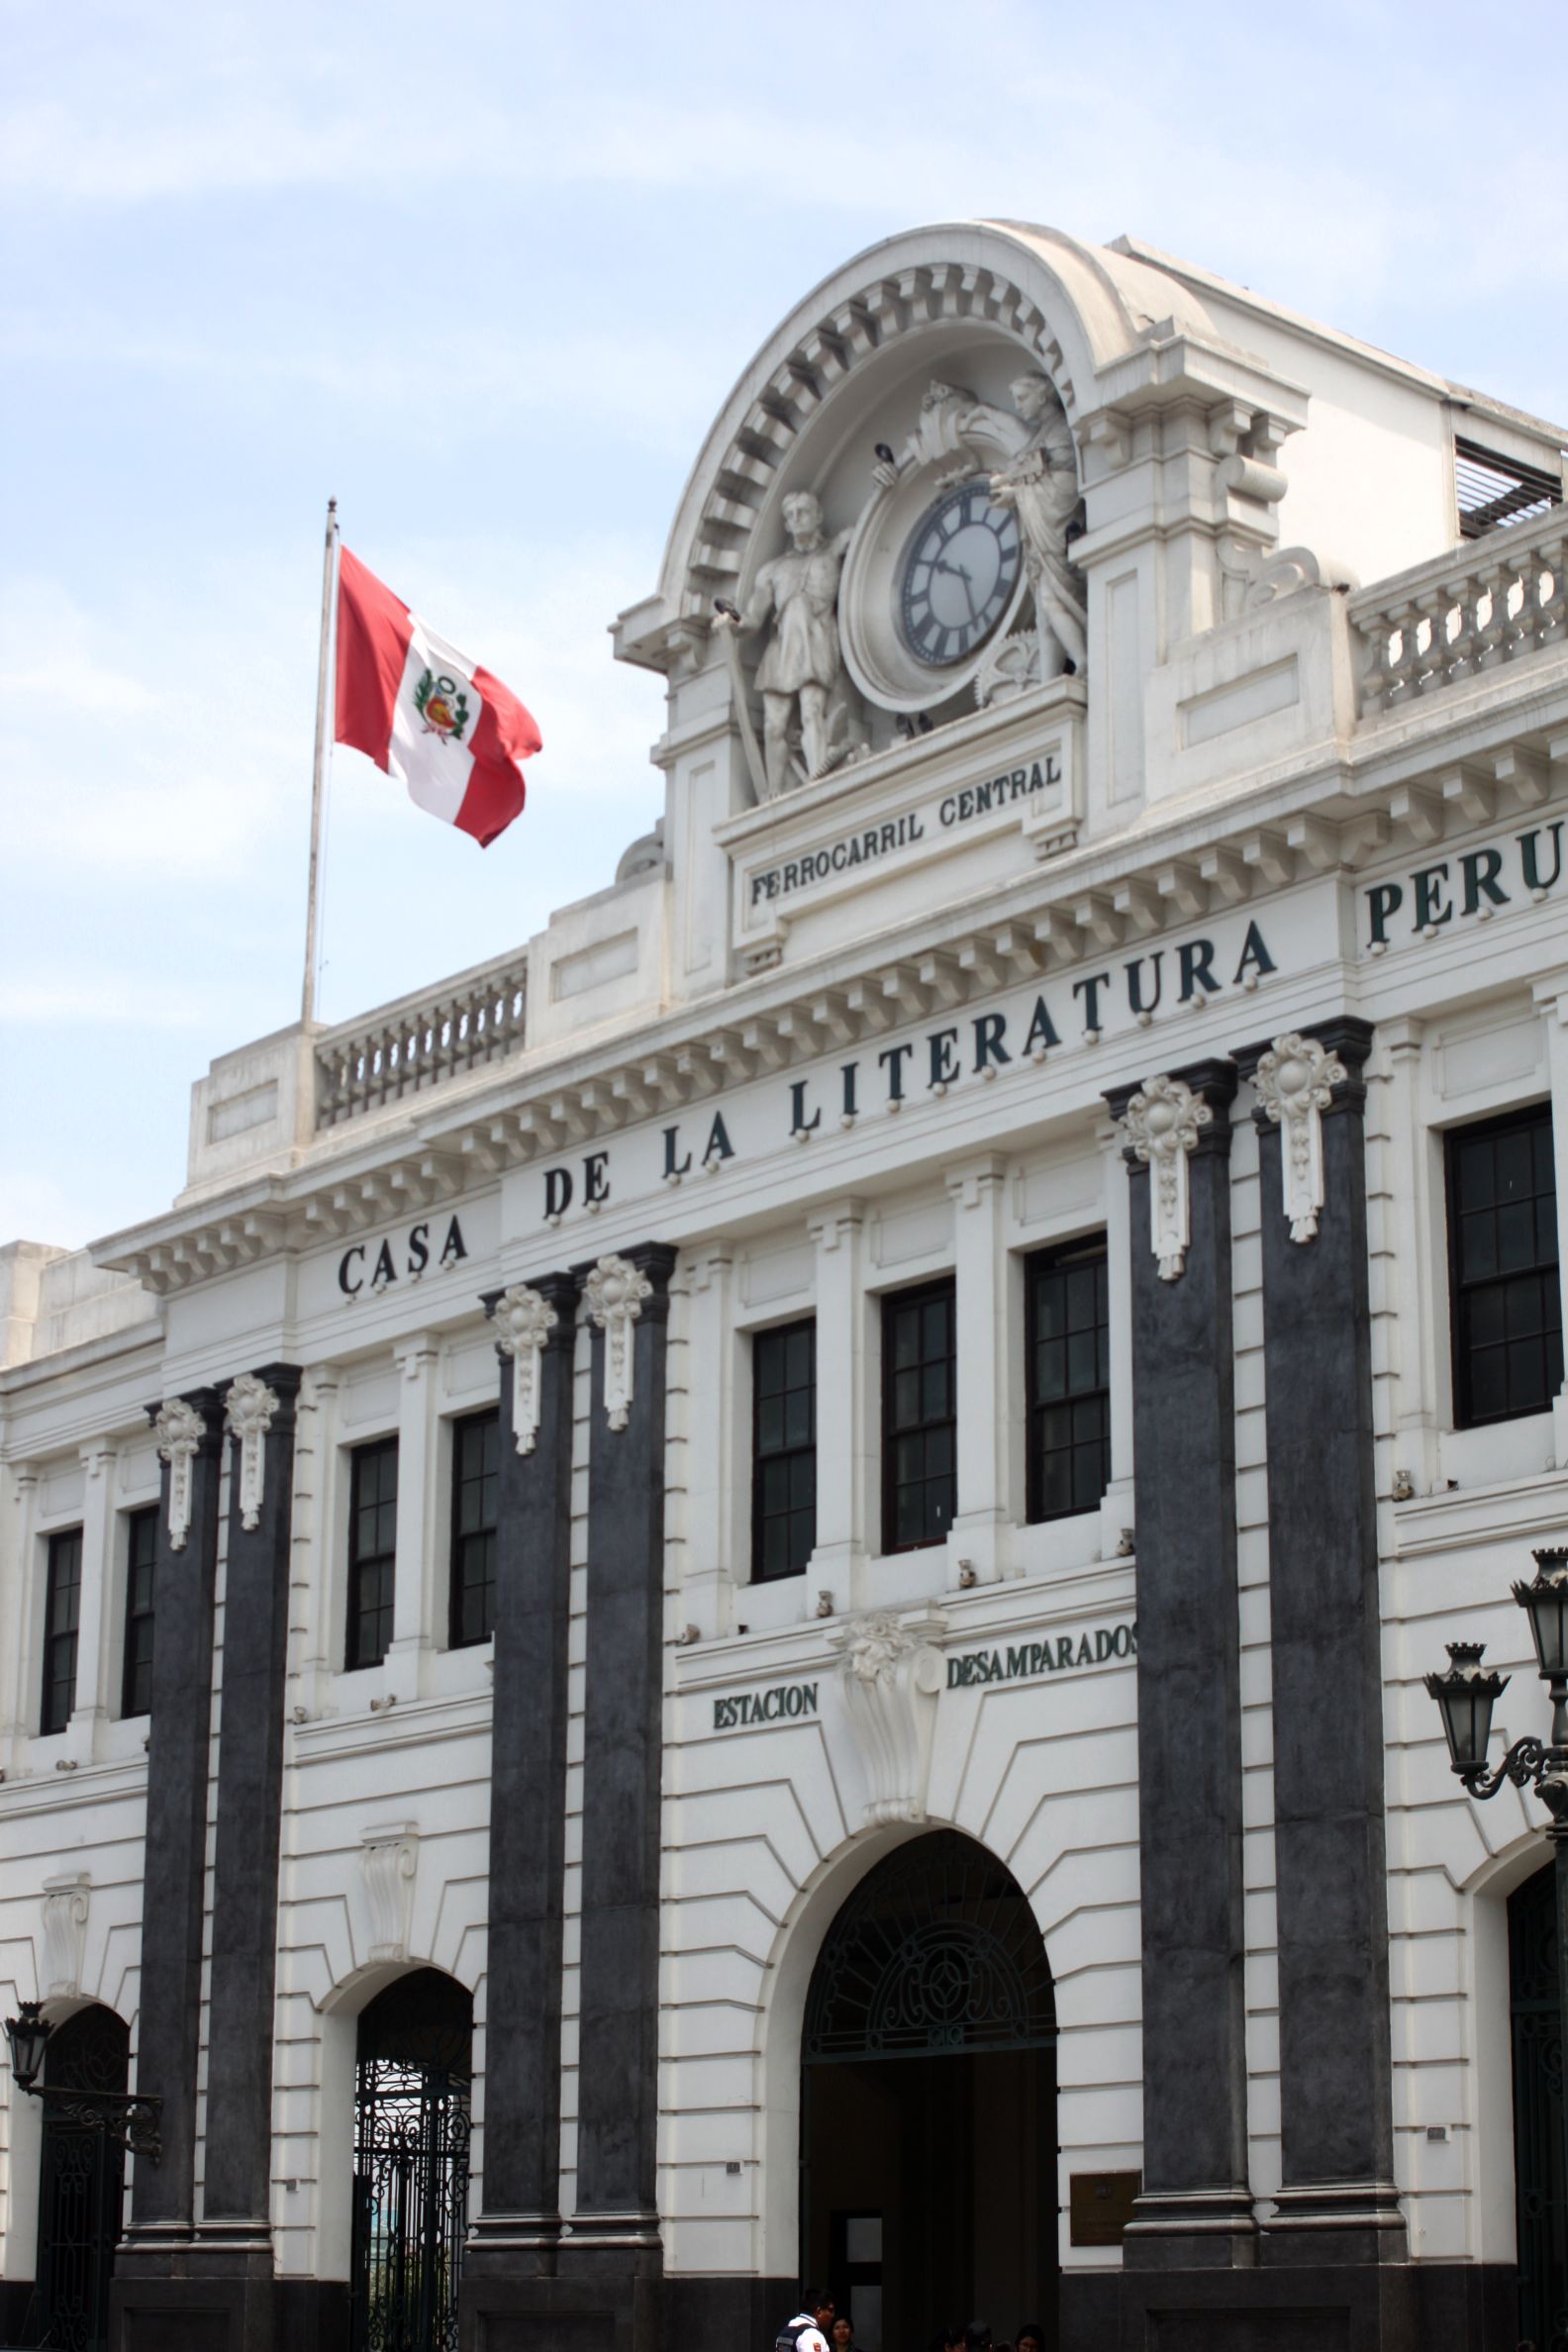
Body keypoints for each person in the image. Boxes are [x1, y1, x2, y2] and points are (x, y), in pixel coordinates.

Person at [776, 2287, 835, 2352]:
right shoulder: (811, 2334)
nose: (832, 2315)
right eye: (830, 2310)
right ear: (819, 2312)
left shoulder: (786, 2330)